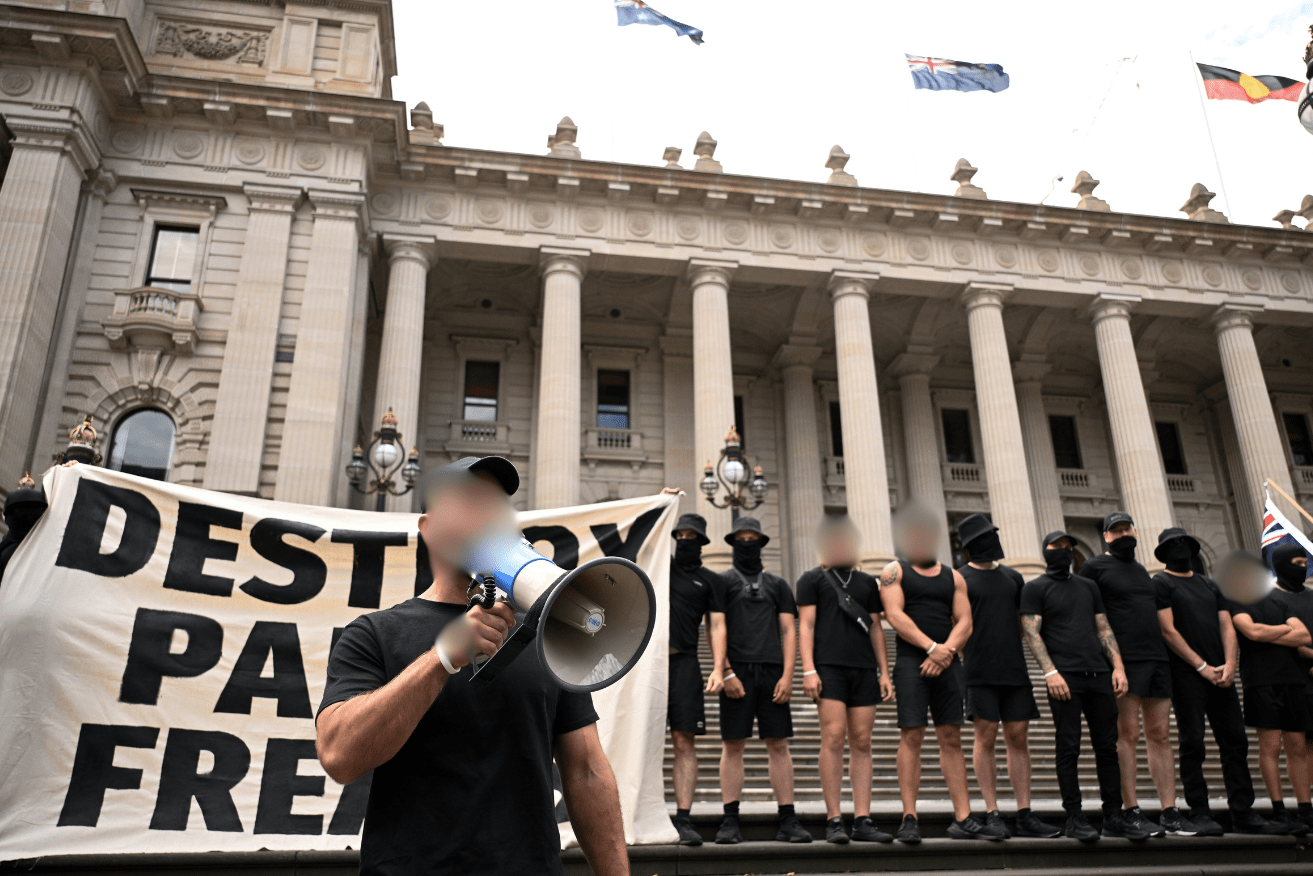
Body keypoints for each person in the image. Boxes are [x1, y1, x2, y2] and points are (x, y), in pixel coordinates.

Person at [315, 457, 629, 876]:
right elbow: (339, 756)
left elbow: (587, 771)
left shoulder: (548, 639)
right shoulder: (375, 633)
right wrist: (442, 659)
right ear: (428, 529)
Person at [879, 506, 1005, 843]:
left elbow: (965, 621)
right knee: (913, 736)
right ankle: (909, 817)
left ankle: (963, 817)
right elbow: (894, 615)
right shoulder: (895, 570)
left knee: (951, 737)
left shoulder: (954, 576)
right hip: (911, 663)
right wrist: (933, 648)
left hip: (948, 664)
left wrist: (945, 651)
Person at [1152, 528, 1284, 836]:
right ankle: (1199, 811)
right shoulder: (1161, 583)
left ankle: (1242, 810)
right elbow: (1168, 630)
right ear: (1164, 552)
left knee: (1236, 743)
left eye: (1185, 543)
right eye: (1174, 545)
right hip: (1188, 675)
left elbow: (1227, 626)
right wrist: (1201, 666)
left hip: (1222, 674)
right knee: (1192, 743)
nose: (1181, 548)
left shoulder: (1210, 584)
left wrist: (1228, 664)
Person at [1020, 531, 1149, 843]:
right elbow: (1031, 633)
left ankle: (1114, 815)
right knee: (1069, 746)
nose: (1063, 551)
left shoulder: (1088, 586)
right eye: (1057, 547)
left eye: (1068, 547)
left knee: (1107, 747)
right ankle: (1075, 817)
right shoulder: (1035, 588)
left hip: (1099, 675)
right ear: (1045, 552)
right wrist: (1050, 672)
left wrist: (1117, 666)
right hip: (1064, 678)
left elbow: (1102, 627)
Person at [1079, 512, 1189, 837]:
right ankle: (1131, 809)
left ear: (1135, 531)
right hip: (1124, 663)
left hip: (1157, 659)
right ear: (1106, 536)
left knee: (1160, 735)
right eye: (1116, 530)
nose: (1123, 533)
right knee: (1127, 736)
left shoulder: (1144, 571)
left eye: (1127, 528)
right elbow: (1093, 619)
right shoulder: (1094, 568)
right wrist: (1115, 665)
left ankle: (1169, 810)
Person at [955, 514, 1060, 840]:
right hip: (978, 670)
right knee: (984, 739)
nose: (993, 540)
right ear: (971, 545)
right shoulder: (960, 579)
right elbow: (956, 623)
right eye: (987, 535)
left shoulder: (1014, 578)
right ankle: (992, 812)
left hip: (1014, 669)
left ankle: (1025, 813)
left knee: (1018, 737)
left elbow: (1023, 624)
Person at [712, 516, 809, 845]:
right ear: (733, 543)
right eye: (742, 538)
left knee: (779, 745)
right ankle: (729, 821)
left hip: (772, 672)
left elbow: (788, 630)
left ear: (761, 543)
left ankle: (788, 819)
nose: (747, 544)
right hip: (736, 670)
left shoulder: (778, 585)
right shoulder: (722, 582)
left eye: (753, 538)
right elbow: (716, 628)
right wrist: (725, 671)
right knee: (733, 745)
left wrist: (788, 675)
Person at [797, 517, 894, 845]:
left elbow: (877, 627)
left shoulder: (867, 583)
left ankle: (863, 819)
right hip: (829, 668)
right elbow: (806, 625)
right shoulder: (812, 579)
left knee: (863, 741)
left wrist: (885, 671)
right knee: (834, 738)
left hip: (863, 669)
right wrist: (809, 669)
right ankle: (834, 818)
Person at [1229, 544, 1313, 837]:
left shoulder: (1280, 603)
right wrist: (1282, 632)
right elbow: (1250, 632)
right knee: (1271, 747)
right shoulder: (1236, 601)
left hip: (1291, 681)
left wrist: (1268, 632)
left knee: (1298, 747)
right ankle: (1278, 809)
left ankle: (1305, 808)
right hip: (1259, 681)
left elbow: (1303, 634)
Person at [665, 512, 724, 846]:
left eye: (692, 536)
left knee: (684, 741)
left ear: (702, 542)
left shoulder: (711, 581)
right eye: (680, 535)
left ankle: (684, 818)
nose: (685, 540)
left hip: (686, 664)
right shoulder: (660, 566)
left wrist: (719, 667)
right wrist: (662, 505)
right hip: (649, 663)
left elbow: (717, 625)